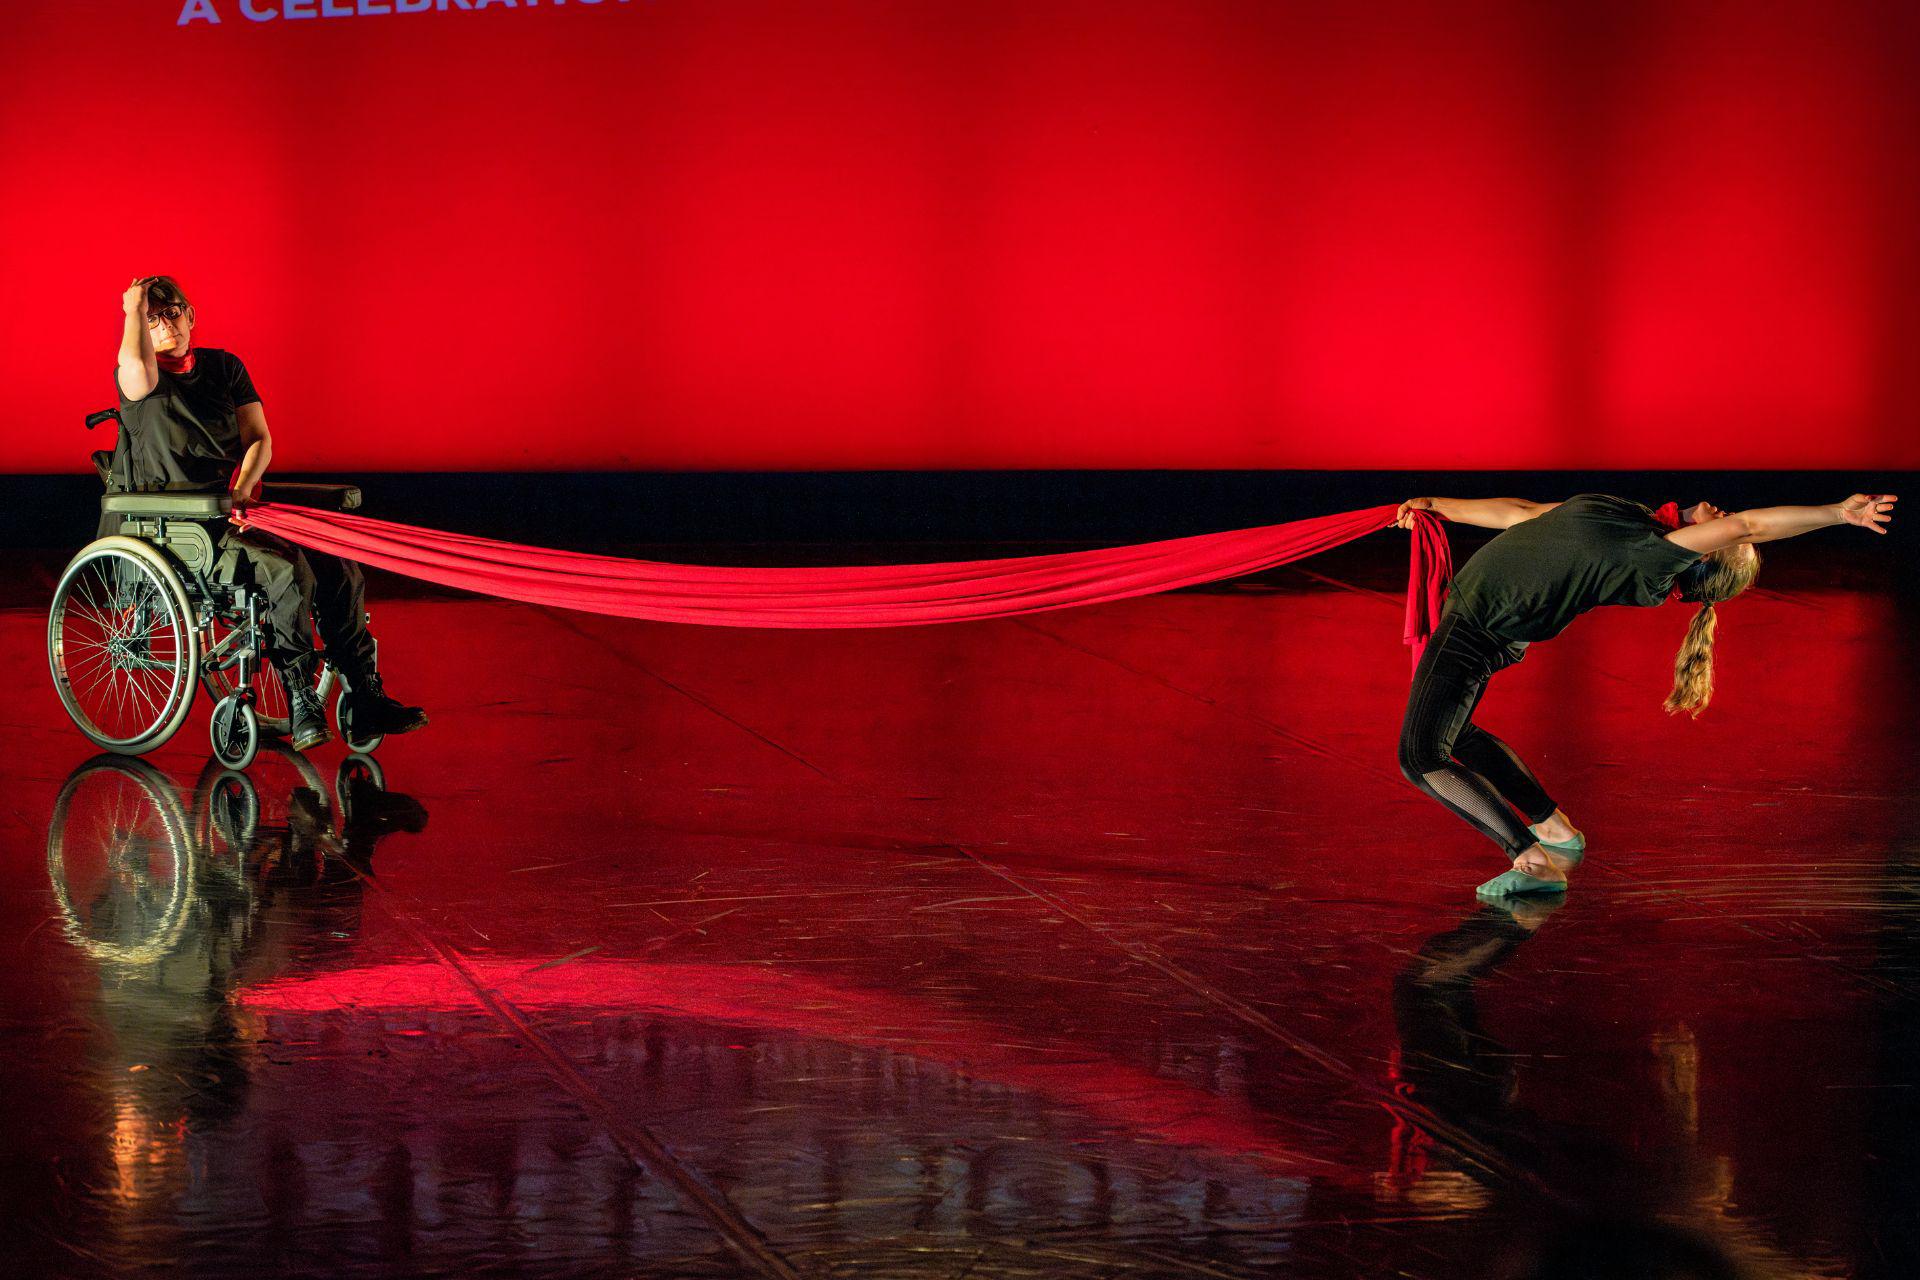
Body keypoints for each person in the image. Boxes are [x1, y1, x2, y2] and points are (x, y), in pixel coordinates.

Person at [1393, 491, 1896, 896]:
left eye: (1721, 535)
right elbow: (1524, 515)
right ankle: (1556, 829)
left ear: (1699, 555)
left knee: (1421, 757)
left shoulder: (1652, 557)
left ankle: (1530, 860)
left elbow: (1750, 526)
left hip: (1476, 631)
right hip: (1480, 624)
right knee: (1457, 736)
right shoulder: (1635, 518)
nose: (1726, 516)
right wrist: (1437, 506)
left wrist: (1838, 513)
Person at [112, 274, 428, 751]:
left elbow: (259, 438)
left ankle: (364, 695)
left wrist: (240, 492)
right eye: (152, 318)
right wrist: (132, 306)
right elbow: (135, 358)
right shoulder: (141, 381)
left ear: (191, 315)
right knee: (284, 571)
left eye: (172, 311)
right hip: (182, 522)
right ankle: (301, 694)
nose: (164, 324)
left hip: (233, 506)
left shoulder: (225, 368)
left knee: (337, 562)